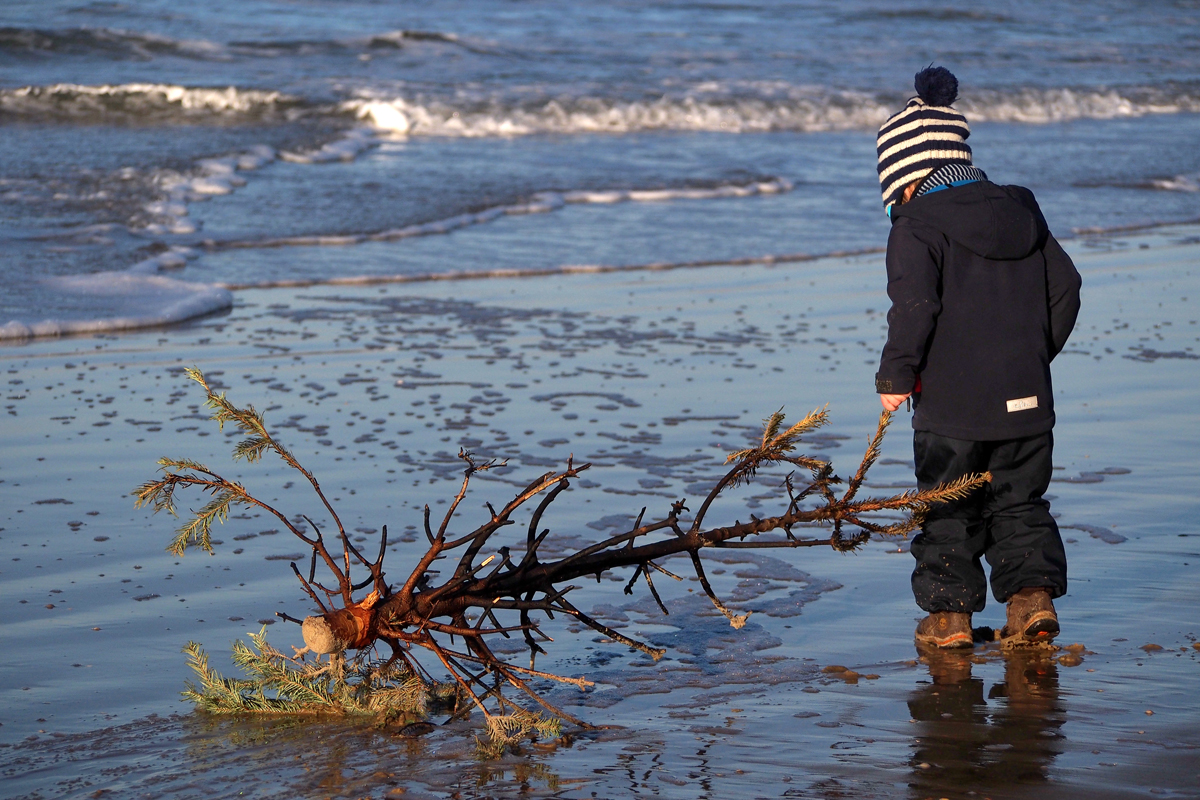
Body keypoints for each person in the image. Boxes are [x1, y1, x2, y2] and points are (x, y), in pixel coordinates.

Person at [874, 66, 1082, 649]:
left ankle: (949, 620)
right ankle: (1030, 603)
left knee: (948, 506)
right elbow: (1066, 287)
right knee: (1020, 500)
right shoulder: (1022, 207)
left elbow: (914, 307)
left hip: (952, 405)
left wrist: (897, 373)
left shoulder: (915, 225)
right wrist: (1035, 354)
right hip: (1026, 396)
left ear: (906, 178)